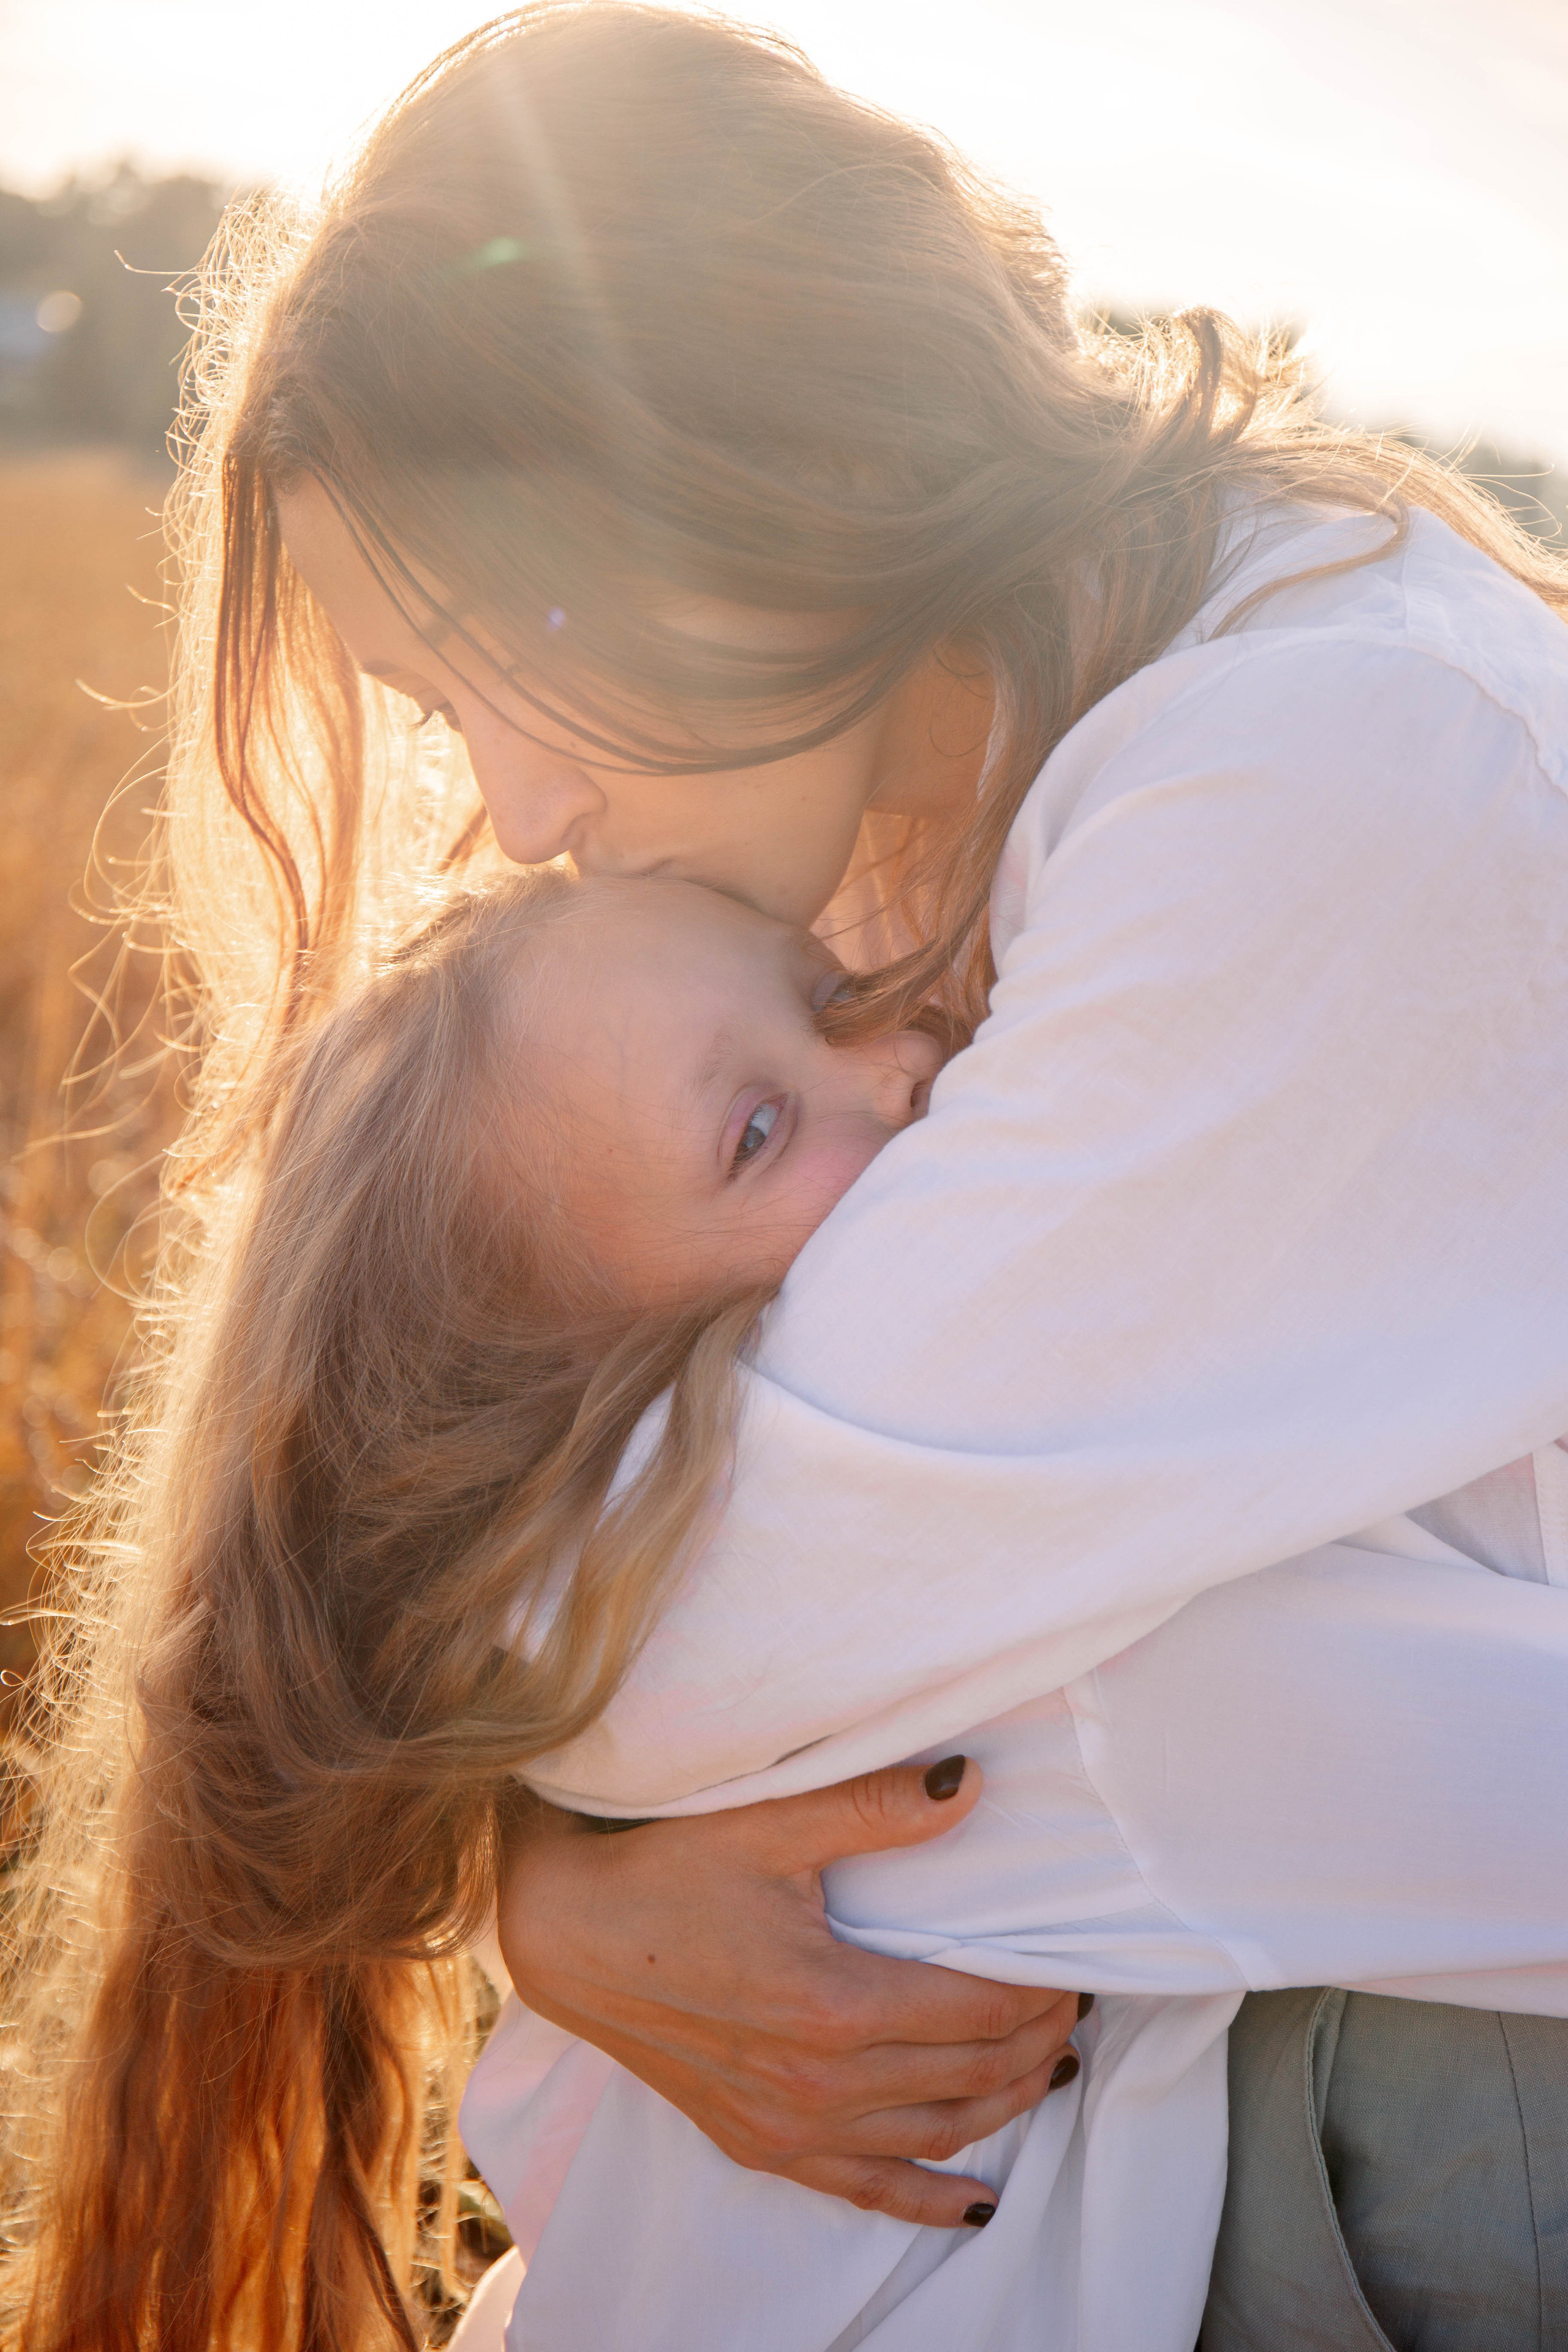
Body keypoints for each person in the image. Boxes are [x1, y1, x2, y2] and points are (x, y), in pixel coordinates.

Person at [10, 7, 1568, 2348]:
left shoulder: (1316, 764)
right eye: (442, 716)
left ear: (769, 452)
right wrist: (557, 1871)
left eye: (516, 651)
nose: (518, 810)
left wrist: (539, 1863)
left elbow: (730, 1622)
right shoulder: (899, 837)